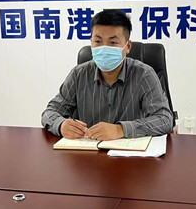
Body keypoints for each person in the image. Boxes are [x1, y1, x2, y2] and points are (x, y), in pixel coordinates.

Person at [42, 9, 174, 141]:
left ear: (127, 46)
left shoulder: (144, 74)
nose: (104, 48)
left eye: (113, 43)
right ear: (91, 43)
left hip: (129, 151)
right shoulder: (78, 74)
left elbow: (165, 119)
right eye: (98, 41)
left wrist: (120, 129)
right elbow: (50, 112)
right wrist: (61, 125)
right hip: (88, 150)